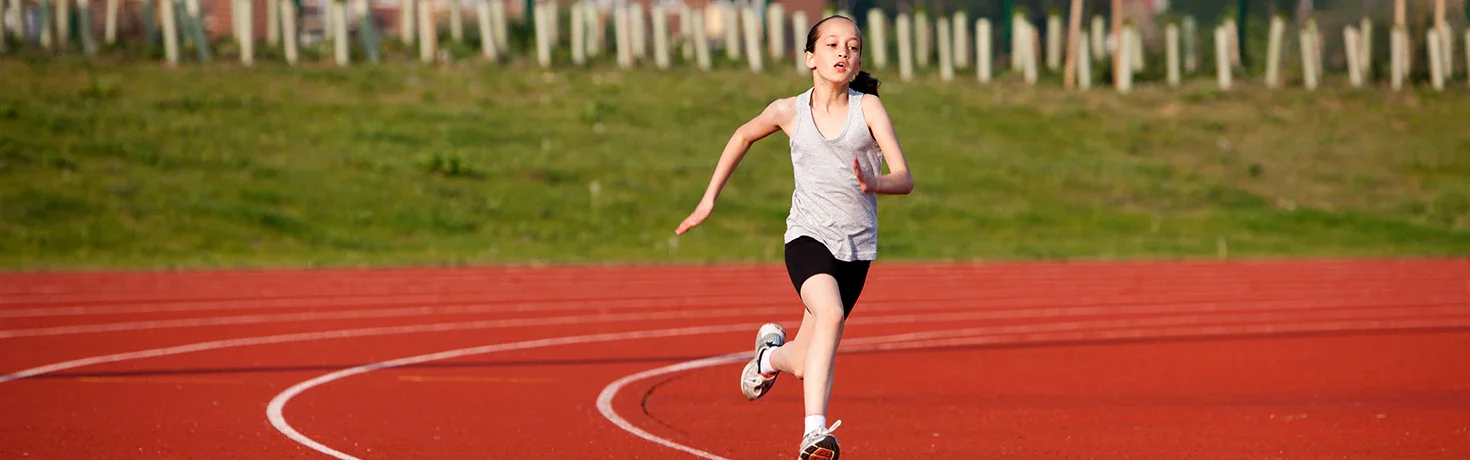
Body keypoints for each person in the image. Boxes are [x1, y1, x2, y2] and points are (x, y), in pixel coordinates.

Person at [673, 14, 914, 460]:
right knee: (832, 313)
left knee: (803, 362)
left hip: (856, 250)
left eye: (853, 46)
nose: (843, 52)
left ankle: (767, 358)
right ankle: (813, 433)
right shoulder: (789, 110)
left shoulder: (869, 109)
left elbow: (904, 177)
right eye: (832, 45)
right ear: (810, 57)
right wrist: (709, 199)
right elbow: (743, 135)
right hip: (807, 239)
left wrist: (876, 183)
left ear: (858, 61)